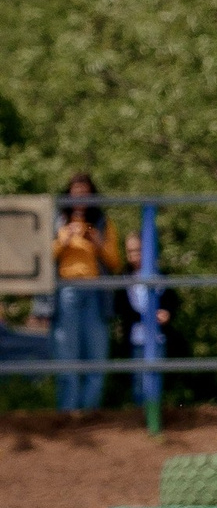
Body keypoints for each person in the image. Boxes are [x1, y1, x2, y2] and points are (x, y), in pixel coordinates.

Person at [51, 174, 125, 414]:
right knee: (67, 354)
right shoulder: (57, 221)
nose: (80, 196)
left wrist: (98, 243)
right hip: (66, 292)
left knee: (96, 354)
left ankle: (90, 410)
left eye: (85, 192)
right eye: (75, 191)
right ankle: (68, 411)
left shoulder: (102, 223)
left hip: (96, 293)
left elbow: (115, 262)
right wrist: (65, 239)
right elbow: (43, 259)